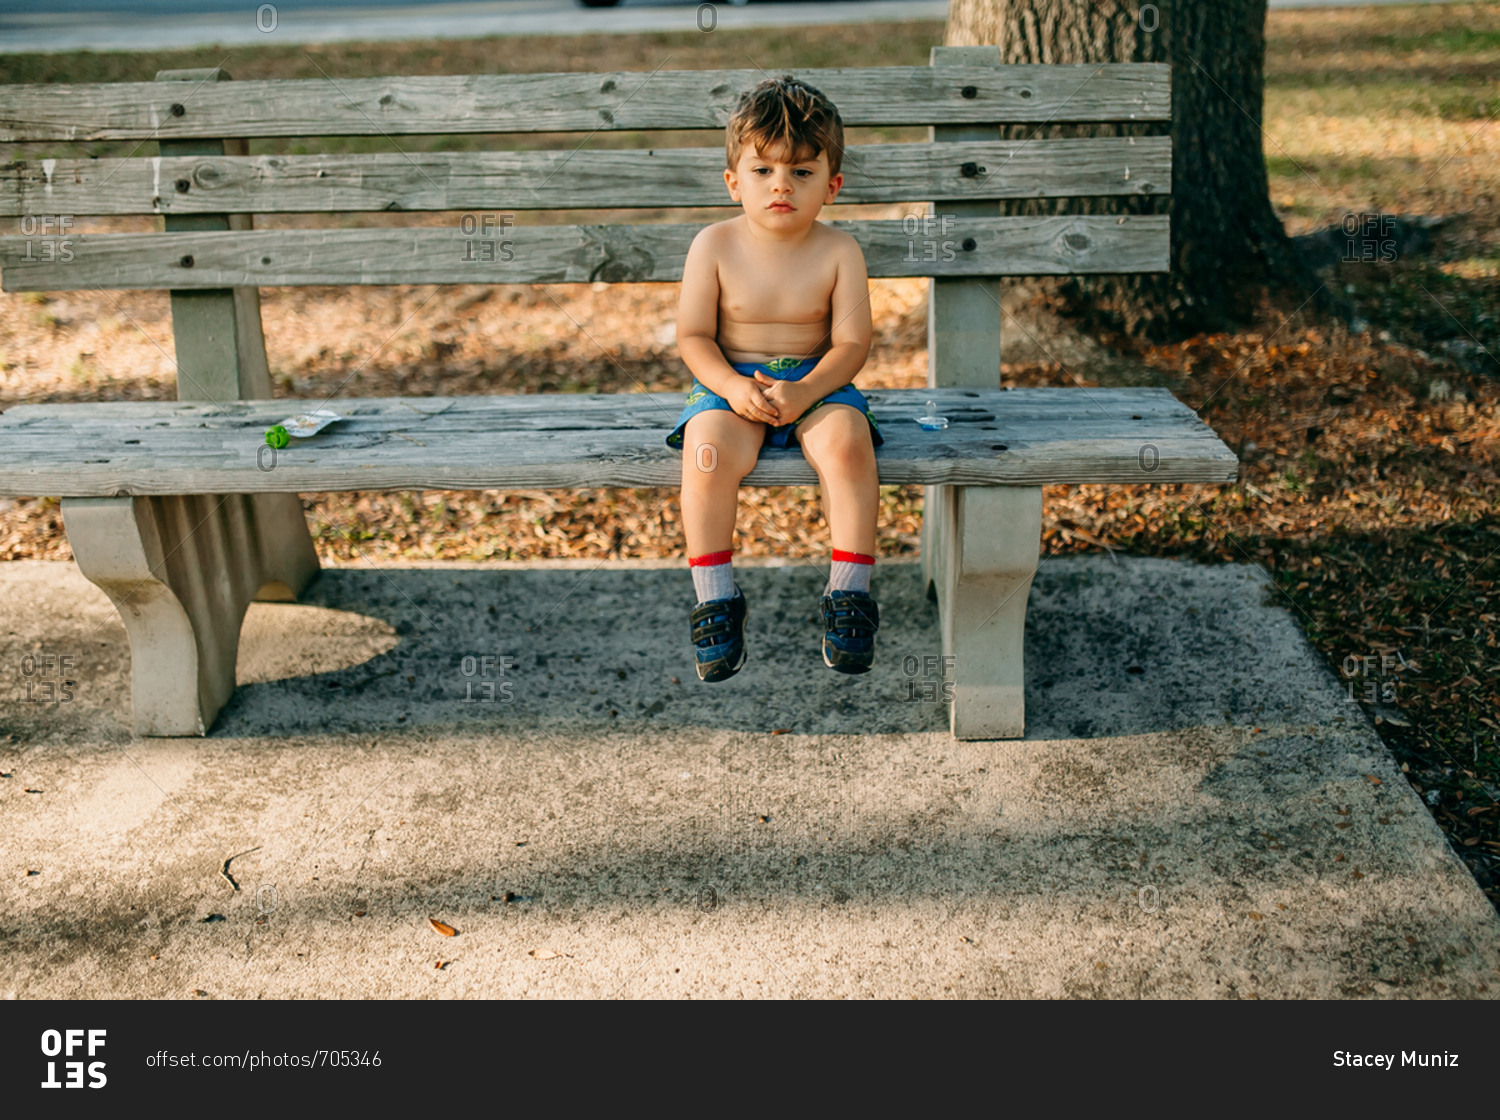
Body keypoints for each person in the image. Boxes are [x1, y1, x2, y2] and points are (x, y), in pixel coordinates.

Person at [666, 74, 882, 683]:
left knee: (847, 444)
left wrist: (809, 391)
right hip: (729, 385)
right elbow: (694, 338)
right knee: (706, 453)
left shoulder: (841, 251)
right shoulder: (712, 246)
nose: (781, 185)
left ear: (831, 186)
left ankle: (849, 597)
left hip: (819, 385)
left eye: (802, 173)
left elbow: (852, 344)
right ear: (734, 181)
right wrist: (734, 389)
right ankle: (715, 599)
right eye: (762, 171)